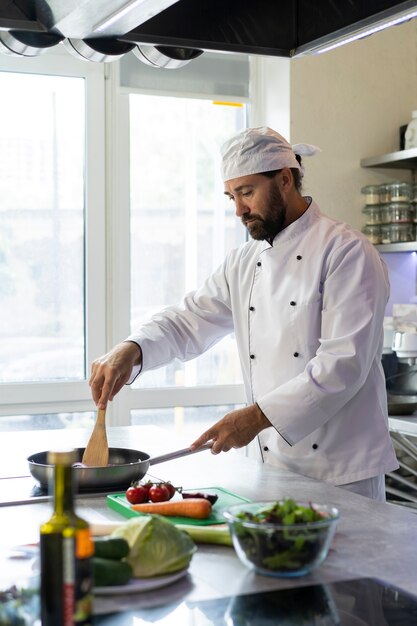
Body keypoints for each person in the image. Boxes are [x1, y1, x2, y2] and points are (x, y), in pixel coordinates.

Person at [89, 126, 398, 501]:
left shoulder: (346, 252)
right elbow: (190, 320)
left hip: (342, 472)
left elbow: (342, 365)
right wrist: (133, 348)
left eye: (247, 192)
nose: (238, 210)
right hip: (273, 467)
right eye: (230, 196)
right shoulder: (244, 261)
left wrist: (254, 417)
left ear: (285, 179)